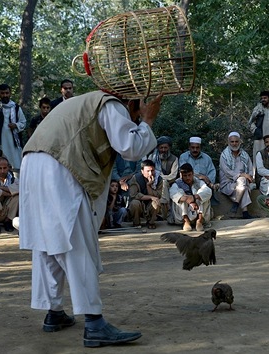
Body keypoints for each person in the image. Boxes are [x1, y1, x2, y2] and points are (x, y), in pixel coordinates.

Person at [19, 76, 163, 346]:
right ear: (130, 102)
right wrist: (148, 122)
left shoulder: (81, 102)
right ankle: (95, 324)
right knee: (76, 243)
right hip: (59, 167)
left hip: (33, 163)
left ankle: (54, 312)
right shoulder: (111, 104)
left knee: (49, 241)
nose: (134, 119)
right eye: (136, 112)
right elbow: (130, 147)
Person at [0, 84, 26, 172]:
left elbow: (23, 122)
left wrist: (16, 125)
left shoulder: (16, 108)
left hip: (13, 142)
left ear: (10, 93)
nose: (5, 95)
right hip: (0, 141)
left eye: (7, 93)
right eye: (2, 93)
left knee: (15, 163)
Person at [219, 132, 254, 219]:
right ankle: (244, 211)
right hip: (228, 183)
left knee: (243, 182)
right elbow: (227, 172)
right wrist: (241, 175)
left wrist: (248, 176)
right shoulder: (224, 155)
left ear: (239, 142)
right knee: (243, 182)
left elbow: (250, 169)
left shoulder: (245, 155)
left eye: (236, 141)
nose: (234, 144)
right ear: (228, 142)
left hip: (242, 183)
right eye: (232, 142)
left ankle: (237, 205)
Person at [169, 163, 212, 232]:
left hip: (198, 211)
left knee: (202, 193)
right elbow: (173, 194)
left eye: (189, 175)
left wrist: (195, 197)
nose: (187, 178)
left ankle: (199, 221)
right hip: (183, 214)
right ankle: (186, 221)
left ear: (193, 174)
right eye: (185, 176)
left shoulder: (198, 182)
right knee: (180, 194)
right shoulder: (177, 183)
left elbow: (208, 191)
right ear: (181, 175)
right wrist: (189, 200)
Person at [146, 135, 179, 219]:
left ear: (169, 148)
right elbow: (149, 173)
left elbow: (173, 176)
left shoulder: (174, 159)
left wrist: (160, 178)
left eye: (165, 148)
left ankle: (164, 212)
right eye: (161, 148)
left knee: (164, 183)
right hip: (152, 183)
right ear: (158, 148)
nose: (163, 150)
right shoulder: (151, 158)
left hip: (169, 183)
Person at [128, 159, 163, 229]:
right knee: (135, 203)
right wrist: (150, 197)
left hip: (150, 204)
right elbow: (134, 195)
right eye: (148, 171)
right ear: (142, 171)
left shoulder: (158, 179)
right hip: (139, 203)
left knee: (156, 202)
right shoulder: (136, 178)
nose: (150, 173)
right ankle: (136, 223)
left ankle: (151, 222)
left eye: (152, 170)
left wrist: (148, 186)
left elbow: (158, 195)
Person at [248, 91, 269, 162]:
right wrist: (255, 130)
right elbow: (250, 122)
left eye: (265, 98)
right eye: (262, 98)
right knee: (258, 156)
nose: (263, 99)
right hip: (260, 137)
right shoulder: (257, 108)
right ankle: (256, 173)